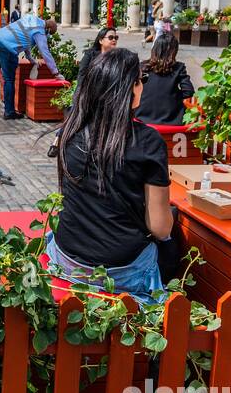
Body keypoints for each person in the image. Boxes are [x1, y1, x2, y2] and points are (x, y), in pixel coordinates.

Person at [47, 48, 173, 305]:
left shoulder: (70, 131)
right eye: (141, 80)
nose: (142, 86)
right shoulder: (148, 141)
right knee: (171, 243)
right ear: (129, 89)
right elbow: (160, 228)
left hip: (67, 258)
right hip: (122, 270)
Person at [0, 13, 60, 120]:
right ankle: (9, 111)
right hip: (8, 47)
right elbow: (45, 52)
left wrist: (31, 60)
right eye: (49, 34)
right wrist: (56, 73)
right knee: (9, 79)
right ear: (48, 30)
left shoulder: (31, 18)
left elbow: (24, 39)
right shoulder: (39, 31)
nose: (47, 36)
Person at [136, 34, 194, 125]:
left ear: (155, 49)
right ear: (174, 51)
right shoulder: (178, 67)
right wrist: (172, 95)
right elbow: (189, 91)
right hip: (172, 119)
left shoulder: (143, 66)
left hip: (143, 117)